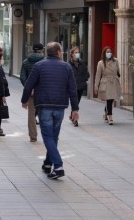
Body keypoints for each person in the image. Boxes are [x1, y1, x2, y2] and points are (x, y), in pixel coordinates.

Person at [21, 42, 79, 180]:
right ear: (59, 52)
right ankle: (48, 163)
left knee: (48, 137)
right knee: (53, 137)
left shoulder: (39, 66)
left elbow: (28, 84)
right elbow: (72, 89)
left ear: (47, 52)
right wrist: (75, 109)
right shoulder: (66, 67)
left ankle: (58, 166)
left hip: (44, 105)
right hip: (60, 107)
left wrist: (24, 100)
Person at [20, 43, 45, 142]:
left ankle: (33, 136)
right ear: (42, 50)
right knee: (44, 113)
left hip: (31, 92)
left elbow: (22, 77)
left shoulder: (26, 62)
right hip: (43, 91)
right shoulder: (45, 61)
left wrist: (29, 88)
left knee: (31, 114)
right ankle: (48, 134)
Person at [94, 46, 121, 125]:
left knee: (111, 99)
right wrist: (96, 86)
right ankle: (110, 116)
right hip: (106, 83)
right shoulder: (101, 63)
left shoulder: (115, 61)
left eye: (110, 52)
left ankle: (106, 112)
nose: (109, 53)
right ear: (104, 53)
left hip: (114, 82)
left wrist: (117, 79)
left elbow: (118, 71)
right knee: (109, 99)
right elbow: (98, 75)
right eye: (107, 52)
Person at [68, 46, 90, 127]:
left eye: (78, 52)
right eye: (75, 53)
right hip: (72, 87)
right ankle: (75, 119)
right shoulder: (68, 64)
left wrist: (83, 80)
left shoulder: (82, 63)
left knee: (77, 102)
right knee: (75, 102)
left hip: (80, 85)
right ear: (72, 54)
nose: (77, 54)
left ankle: (72, 115)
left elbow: (87, 74)